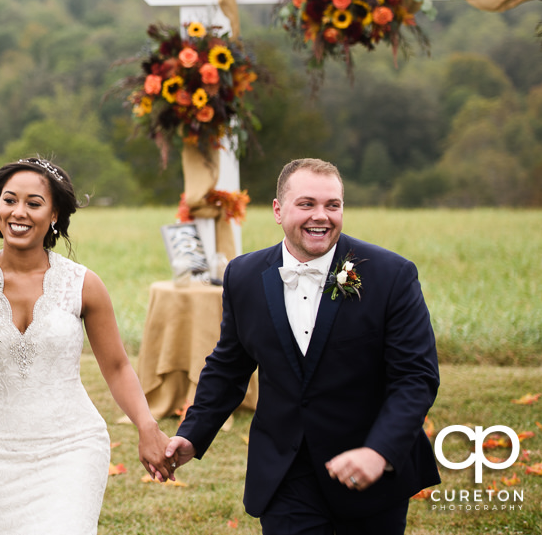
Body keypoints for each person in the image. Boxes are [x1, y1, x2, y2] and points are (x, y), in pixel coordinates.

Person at [0, 157, 171, 535]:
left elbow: (118, 366)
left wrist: (146, 425)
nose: (18, 212)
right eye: (9, 201)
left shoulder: (83, 284)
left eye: (33, 203)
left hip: (72, 446)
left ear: (54, 213)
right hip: (0, 455)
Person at [166, 158, 440, 534]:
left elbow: (415, 377)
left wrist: (379, 451)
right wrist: (191, 434)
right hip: (285, 473)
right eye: (307, 204)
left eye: (333, 205)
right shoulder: (244, 276)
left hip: (369, 472)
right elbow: (229, 366)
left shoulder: (391, 275)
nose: (322, 216)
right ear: (278, 210)